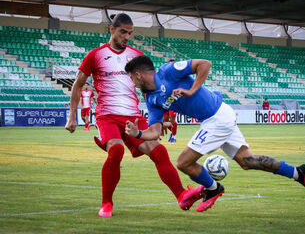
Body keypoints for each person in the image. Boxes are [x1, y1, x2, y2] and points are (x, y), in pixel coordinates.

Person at [124, 56, 305, 212]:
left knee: (183, 162)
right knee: (247, 162)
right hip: (217, 117)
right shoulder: (151, 98)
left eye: (131, 78)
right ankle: (298, 172)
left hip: (216, 117)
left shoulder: (168, 71)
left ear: (139, 75)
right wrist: (138, 133)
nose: (132, 83)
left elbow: (205, 64)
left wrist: (192, 90)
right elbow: (155, 131)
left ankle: (214, 189)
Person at [65, 13, 204, 217]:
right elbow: (77, 85)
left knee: (159, 152)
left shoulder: (136, 55)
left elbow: (149, 88)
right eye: (123, 32)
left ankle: (182, 195)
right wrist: (72, 116)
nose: (126, 37)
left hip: (132, 115)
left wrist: (161, 118)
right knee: (116, 151)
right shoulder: (95, 55)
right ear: (111, 30)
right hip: (107, 115)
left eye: (129, 33)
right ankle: (106, 204)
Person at [163, 59, 178, 143]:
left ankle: (174, 136)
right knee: (164, 120)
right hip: (165, 100)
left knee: (172, 120)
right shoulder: (165, 76)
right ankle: (172, 132)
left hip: (174, 99)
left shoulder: (178, 76)